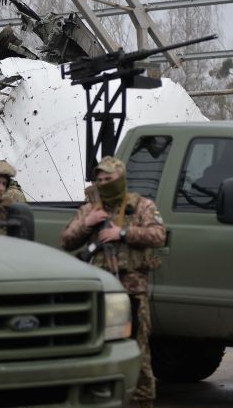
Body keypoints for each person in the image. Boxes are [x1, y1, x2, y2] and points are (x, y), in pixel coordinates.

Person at [60, 156, 166, 408]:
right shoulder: (90, 210)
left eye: (110, 179)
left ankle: (143, 402)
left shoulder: (140, 206)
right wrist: (87, 225)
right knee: (94, 352)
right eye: (101, 179)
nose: (105, 183)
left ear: (121, 179)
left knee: (139, 353)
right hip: (99, 294)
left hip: (131, 293)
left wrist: (124, 233)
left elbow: (159, 234)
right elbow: (66, 240)